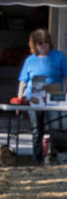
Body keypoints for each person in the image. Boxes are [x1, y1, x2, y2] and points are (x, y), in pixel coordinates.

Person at [16, 29, 67, 163]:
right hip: (35, 97)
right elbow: (23, 81)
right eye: (40, 43)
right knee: (36, 131)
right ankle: (37, 160)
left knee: (55, 130)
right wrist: (19, 99)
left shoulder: (59, 56)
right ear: (35, 45)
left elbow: (66, 77)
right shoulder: (30, 60)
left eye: (46, 43)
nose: (44, 46)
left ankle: (54, 158)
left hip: (55, 96)